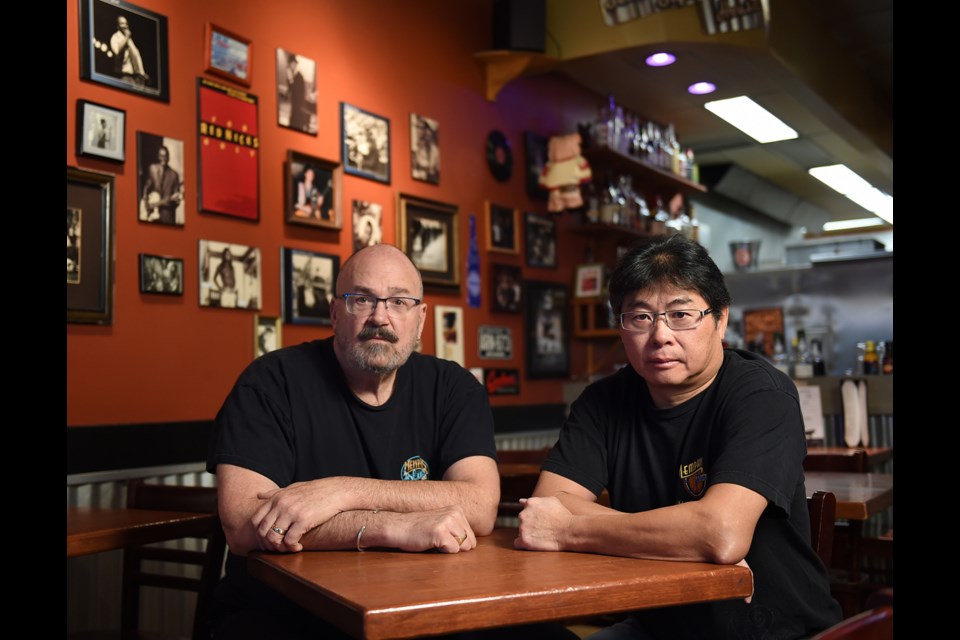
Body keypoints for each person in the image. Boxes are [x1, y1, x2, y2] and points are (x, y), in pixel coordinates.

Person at [515, 234, 842, 639]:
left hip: (770, 629)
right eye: (640, 317)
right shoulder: (602, 401)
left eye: (681, 315)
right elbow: (543, 511)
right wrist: (688, 542)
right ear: (621, 326)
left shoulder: (761, 394)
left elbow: (721, 534)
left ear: (720, 319)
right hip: (659, 624)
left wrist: (568, 529)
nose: (660, 336)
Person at [206, 244, 513, 639]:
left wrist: (342, 492)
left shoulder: (454, 388)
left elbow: (480, 505)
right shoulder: (269, 383)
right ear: (335, 314)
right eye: (362, 300)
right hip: (285, 615)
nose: (380, 317)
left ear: (420, 320)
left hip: (421, 610)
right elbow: (244, 524)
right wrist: (385, 528)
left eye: (399, 301)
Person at [140, 145, 182, 224]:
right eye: (162, 156)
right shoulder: (152, 169)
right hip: (152, 215)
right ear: (158, 157)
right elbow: (146, 188)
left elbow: (176, 199)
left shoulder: (174, 175)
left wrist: (167, 202)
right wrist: (146, 204)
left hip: (167, 217)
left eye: (166, 156)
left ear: (168, 158)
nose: (164, 159)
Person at [110, 15, 148, 88]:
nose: (125, 26)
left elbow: (136, 56)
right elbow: (117, 52)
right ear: (117, 26)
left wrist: (142, 73)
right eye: (122, 23)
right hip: (125, 77)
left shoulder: (129, 40)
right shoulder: (115, 37)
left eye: (126, 23)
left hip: (137, 78)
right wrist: (127, 37)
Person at [284, 53, 312, 132]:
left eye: (292, 64)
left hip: (298, 109)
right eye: (290, 64)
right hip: (295, 107)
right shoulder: (294, 76)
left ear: (294, 64)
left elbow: (295, 91)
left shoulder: (299, 77)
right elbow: (290, 90)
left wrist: (290, 79)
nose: (291, 66)